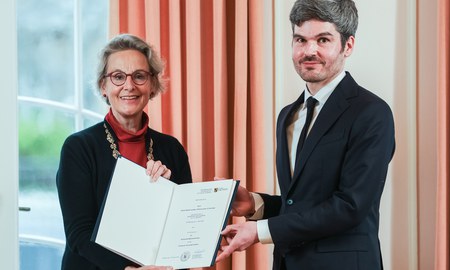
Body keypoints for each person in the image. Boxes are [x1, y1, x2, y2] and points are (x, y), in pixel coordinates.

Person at [216, 0, 395, 269]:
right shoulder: (288, 115)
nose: (309, 51)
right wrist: (255, 204)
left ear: (348, 45)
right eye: (300, 39)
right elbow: (301, 204)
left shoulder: (372, 112)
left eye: (323, 39)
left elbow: (350, 206)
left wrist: (260, 231)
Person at [56, 34, 192, 270]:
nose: (129, 86)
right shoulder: (78, 148)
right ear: (104, 87)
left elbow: (183, 229)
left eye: (139, 76)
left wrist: (167, 191)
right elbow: (79, 234)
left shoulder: (172, 149)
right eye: (118, 77)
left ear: (151, 86)